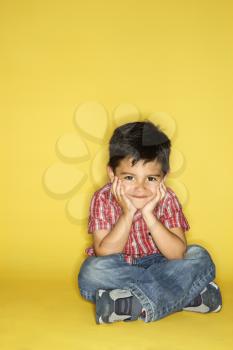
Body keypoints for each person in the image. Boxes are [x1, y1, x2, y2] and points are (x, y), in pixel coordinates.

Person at [78, 120, 222, 324]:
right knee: (91, 272)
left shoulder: (167, 198)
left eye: (151, 179)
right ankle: (189, 296)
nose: (140, 188)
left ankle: (129, 304)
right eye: (129, 177)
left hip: (163, 262)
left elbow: (176, 254)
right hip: (122, 266)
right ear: (112, 174)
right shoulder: (102, 198)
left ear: (164, 177)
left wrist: (149, 215)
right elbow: (104, 252)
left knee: (198, 256)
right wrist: (127, 214)